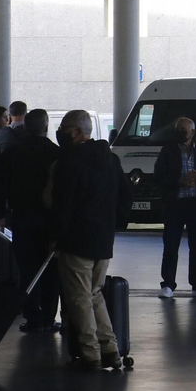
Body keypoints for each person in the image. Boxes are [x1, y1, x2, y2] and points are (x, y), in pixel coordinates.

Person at [48, 109, 130, 370]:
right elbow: (125, 196)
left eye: (64, 128)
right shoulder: (111, 160)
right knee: (95, 294)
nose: (60, 133)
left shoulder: (68, 163)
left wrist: (57, 236)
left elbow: (63, 206)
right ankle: (111, 349)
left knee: (79, 299)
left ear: (77, 132)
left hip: (76, 240)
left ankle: (90, 354)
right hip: (103, 240)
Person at [0, 108, 62, 332]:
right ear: (46, 126)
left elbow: (0, 187)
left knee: (26, 269)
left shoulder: (13, 153)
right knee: (50, 271)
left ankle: (32, 316)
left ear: (25, 127)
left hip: (22, 218)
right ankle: (49, 316)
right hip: (50, 221)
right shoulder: (57, 153)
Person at [153, 116, 196, 298]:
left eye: (184, 130)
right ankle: (168, 284)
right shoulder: (168, 151)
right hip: (174, 204)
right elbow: (158, 176)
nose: (180, 133)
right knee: (171, 245)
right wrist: (179, 182)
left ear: (193, 133)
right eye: (178, 130)